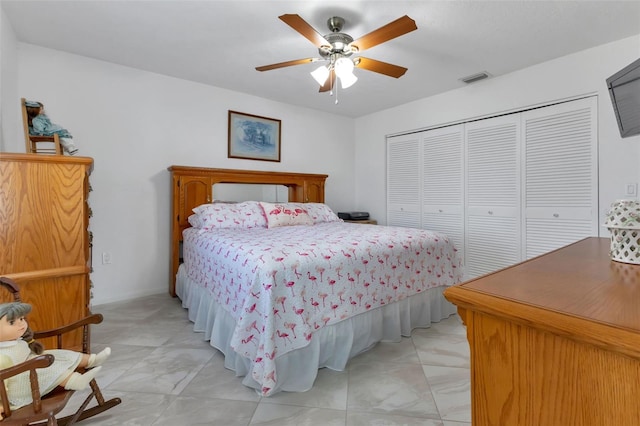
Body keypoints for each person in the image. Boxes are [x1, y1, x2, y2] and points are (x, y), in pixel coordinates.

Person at [0, 301, 110, 415]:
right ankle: (76, 381)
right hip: (18, 387)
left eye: (22, 319)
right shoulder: (2, 357)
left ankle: (91, 360)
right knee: (46, 368)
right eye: (12, 322)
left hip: (28, 368)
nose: (21, 324)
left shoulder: (17, 342)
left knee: (55, 355)